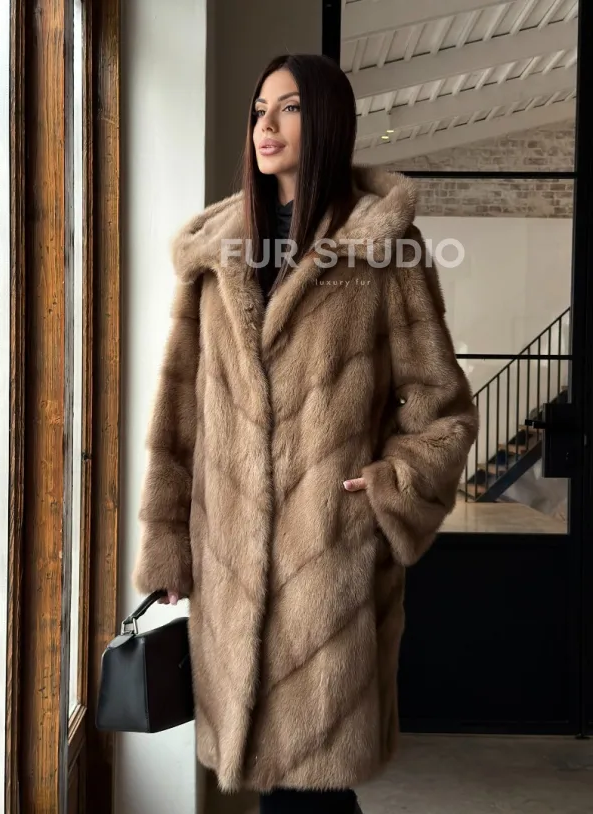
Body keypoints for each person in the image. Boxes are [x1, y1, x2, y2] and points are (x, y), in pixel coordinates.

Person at [131, 53, 479, 814]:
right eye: (259, 109)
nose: (266, 125)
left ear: (325, 120)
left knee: (312, 790)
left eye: (287, 108)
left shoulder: (383, 248)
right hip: (230, 564)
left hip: (328, 561)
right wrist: (168, 540)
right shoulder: (218, 255)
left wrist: (388, 488)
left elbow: (441, 407)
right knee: (280, 790)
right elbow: (178, 414)